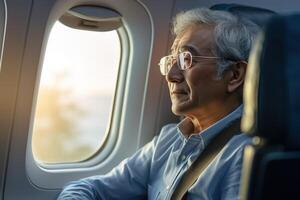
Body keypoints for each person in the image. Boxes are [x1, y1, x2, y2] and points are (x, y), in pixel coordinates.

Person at [57, 8, 260, 200]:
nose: (171, 75)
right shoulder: (168, 141)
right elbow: (89, 188)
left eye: (186, 60)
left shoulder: (245, 156)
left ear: (235, 75)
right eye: (171, 61)